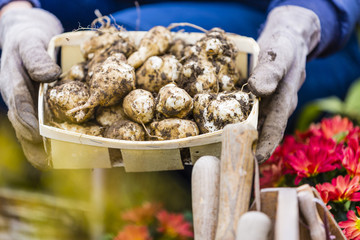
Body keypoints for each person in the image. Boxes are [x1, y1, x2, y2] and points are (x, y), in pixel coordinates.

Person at [0, 0, 359, 169]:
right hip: (103, 25)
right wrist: (14, 11)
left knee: (118, 25)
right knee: (40, 61)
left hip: (289, 36)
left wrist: (306, 15)